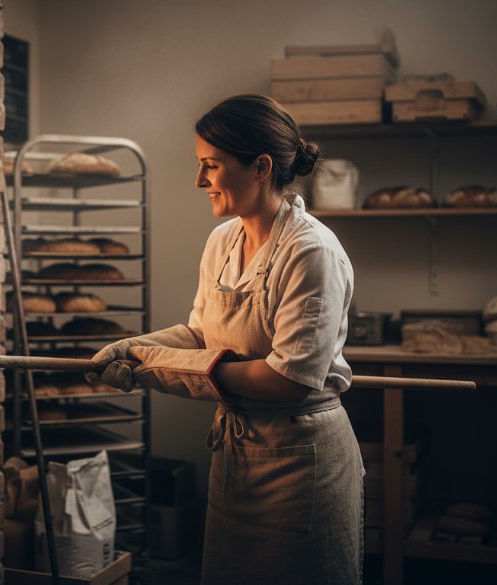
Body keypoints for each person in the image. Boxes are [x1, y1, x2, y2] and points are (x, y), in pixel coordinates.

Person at [87, 94, 363, 584]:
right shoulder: (223, 240)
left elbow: (288, 381)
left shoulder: (310, 250)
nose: (199, 181)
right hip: (237, 457)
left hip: (301, 464)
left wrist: (155, 366)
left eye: (211, 166)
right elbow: (199, 333)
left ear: (261, 166)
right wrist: (132, 347)